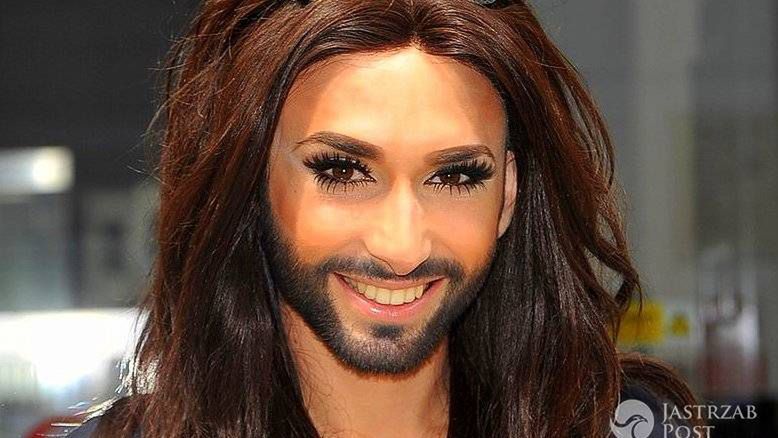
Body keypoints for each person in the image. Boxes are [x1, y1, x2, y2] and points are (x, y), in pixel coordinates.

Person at [65, 0, 700, 436]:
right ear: (250, 180)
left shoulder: (626, 425)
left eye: (455, 177)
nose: (401, 246)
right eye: (342, 172)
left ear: (507, 194)